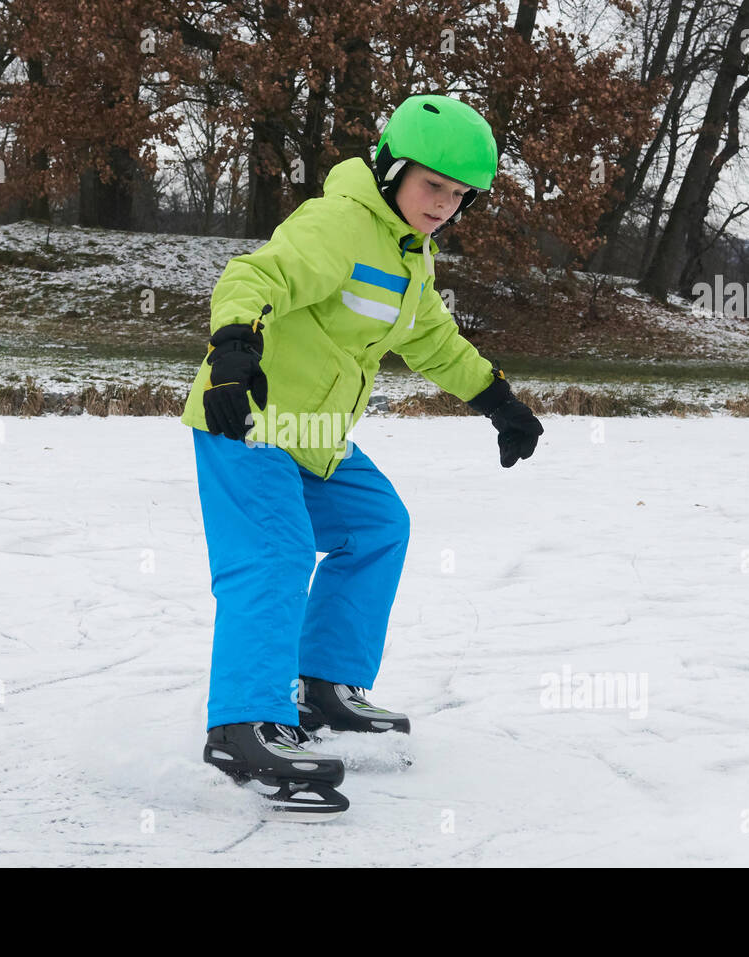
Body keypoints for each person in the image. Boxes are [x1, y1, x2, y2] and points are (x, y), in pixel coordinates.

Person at [181, 93, 544, 815]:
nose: (443, 204)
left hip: (313, 438)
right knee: (277, 553)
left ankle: (322, 685)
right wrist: (233, 348)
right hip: (250, 419)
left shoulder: (410, 258)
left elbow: (432, 339)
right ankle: (241, 724)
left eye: (458, 194)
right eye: (431, 185)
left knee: (378, 524)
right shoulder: (341, 223)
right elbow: (257, 276)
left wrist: (497, 400)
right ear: (391, 169)